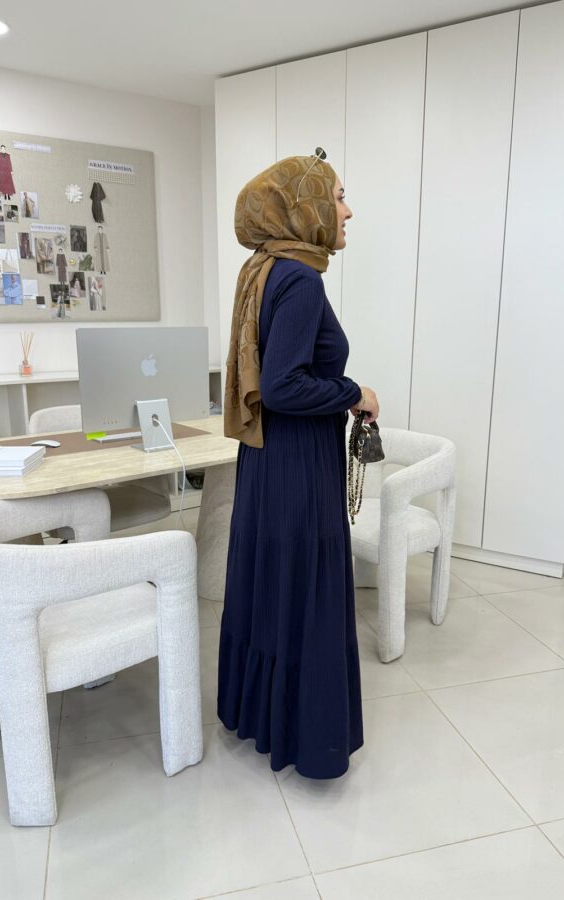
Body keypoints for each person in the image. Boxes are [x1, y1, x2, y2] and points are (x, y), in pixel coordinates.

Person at [218, 155, 380, 780]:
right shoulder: (301, 279)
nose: (347, 211)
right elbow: (283, 386)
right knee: (305, 591)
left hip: (266, 460)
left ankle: (261, 717)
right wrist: (354, 393)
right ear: (305, 206)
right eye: (337, 197)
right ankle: (307, 739)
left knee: (273, 585)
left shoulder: (263, 269)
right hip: (298, 463)